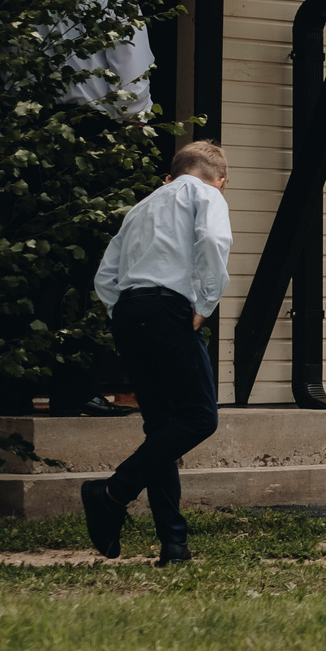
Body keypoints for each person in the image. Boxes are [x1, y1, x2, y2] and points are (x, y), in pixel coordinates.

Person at [2, 0, 158, 420]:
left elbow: (13, 73)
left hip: (29, 131)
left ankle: (13, 388)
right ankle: (73, 388)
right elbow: (132, 83)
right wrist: (133, 134)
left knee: (23, 258)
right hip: (92, 136)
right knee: (86, 266)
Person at [79, 142, 232, 565]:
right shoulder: (205, 195)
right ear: (220, 180)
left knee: (163, 425)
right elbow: (215, 240)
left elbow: (106, 275)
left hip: (130, 313)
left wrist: (122, 312)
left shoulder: (141, 208)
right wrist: (205, 305)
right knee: (200, 416)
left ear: (172, 174)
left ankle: (174, 544)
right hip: (169, 309)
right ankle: (111, 492)